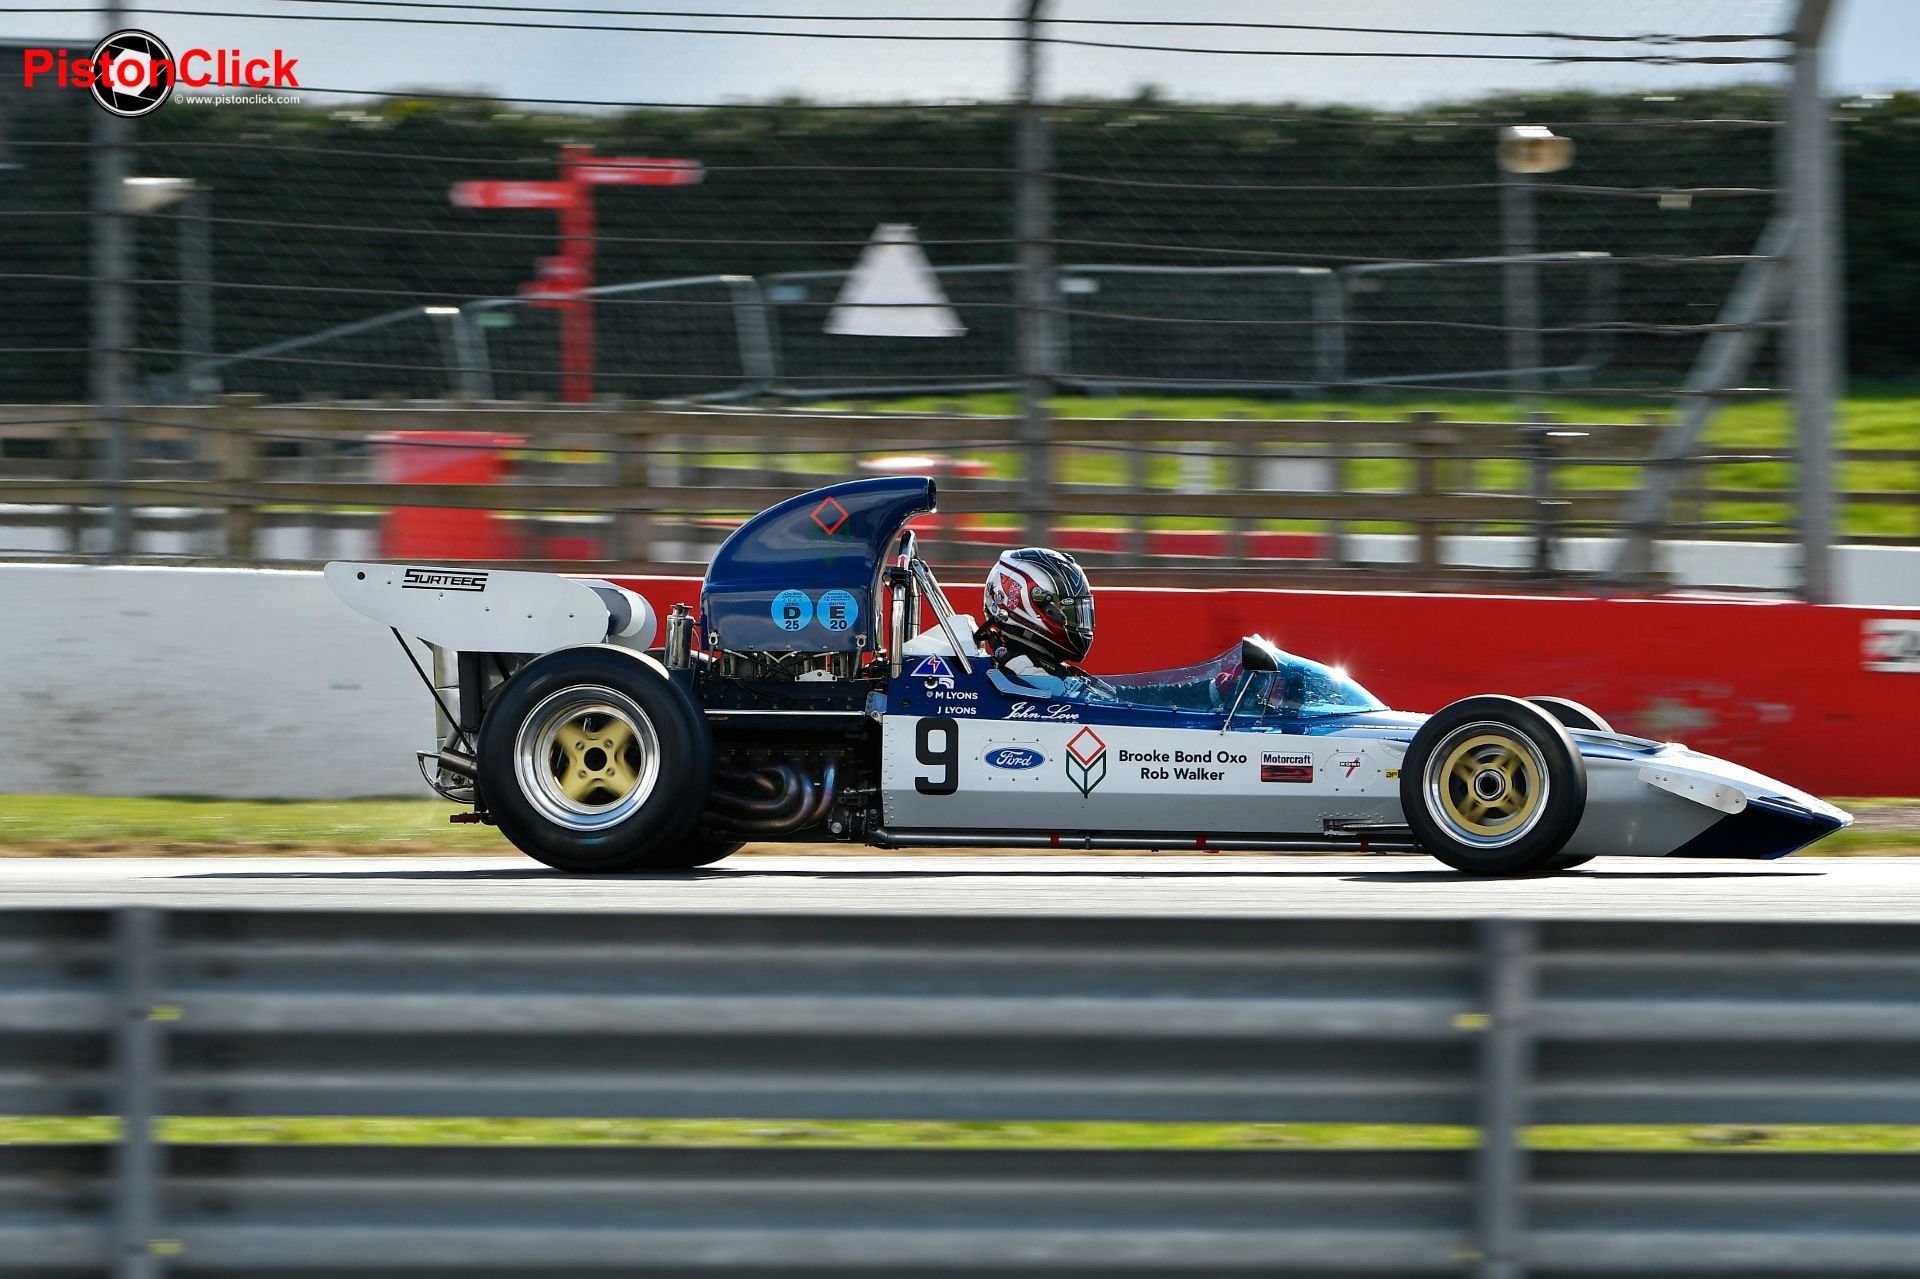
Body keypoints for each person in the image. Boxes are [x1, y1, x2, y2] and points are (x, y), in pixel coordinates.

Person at [976, 548, 1118, 702]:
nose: (1074, 618)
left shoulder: (1038, 662)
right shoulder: (1025, 670)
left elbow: (1117, 695)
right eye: (1064, 610)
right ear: (1029, 606)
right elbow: (1099, 705)